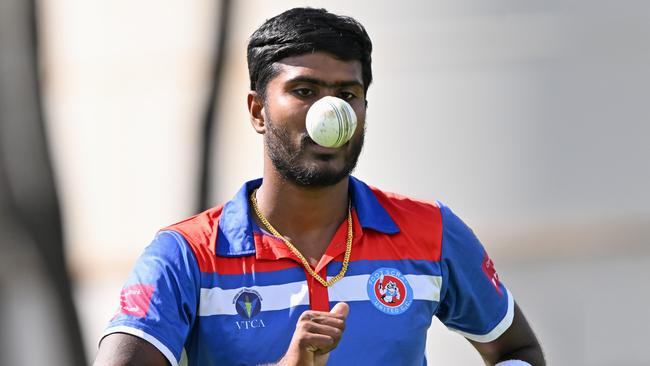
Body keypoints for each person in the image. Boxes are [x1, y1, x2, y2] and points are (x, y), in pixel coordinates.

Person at [94, 7, 544, 366]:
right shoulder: (186, 253)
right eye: (305, 91)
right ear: (257, 111)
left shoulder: (432, 232)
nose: (330, 113)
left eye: (347, 94)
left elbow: (518, 353)